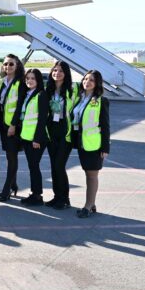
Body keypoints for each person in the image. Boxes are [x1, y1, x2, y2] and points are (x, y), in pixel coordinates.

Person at [72, 70, 110, 218]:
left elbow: (105, 126)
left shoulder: (101, 101)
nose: (87, 82)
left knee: (92, 175)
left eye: (91, 80)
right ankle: (91, 203)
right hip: (82, 143)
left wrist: (105, 147)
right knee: (87, 174)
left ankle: (88, 206)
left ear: (97, 83)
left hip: (94, 145)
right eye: (85, 79)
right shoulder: (80, 99)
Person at [44, 60, 78, 209]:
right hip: (52, 129)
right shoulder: (48, 90)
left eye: (61, 71)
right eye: (55, 70)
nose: (57, 73)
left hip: (66, 130)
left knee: (59, 165)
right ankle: (57, 196)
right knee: (53, 165)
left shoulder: (73, 90)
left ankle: (64, 198)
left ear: (66, 74)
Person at [0, 54, 27, 202]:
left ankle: (6, 189)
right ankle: (13, 184)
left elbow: (19, 105)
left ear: (17, 66)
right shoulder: (2, 82)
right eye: (5, 64)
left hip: (13, 126)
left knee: (12, 156)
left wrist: (13, 125)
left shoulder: (20, 83)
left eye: (11, 64)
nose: (7, 66)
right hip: (3, 124)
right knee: (10, 156)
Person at [18, 68, 49, 206]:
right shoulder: (28, 94)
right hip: (27, 137)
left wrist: (37, 138)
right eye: (27, 78)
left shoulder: (41, 95)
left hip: (36, 139)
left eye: (33, 78)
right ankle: (35, 194)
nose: (29, 81)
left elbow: (42, 119)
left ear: (38, 80)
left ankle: (37, 196)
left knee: (34, 167)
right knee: (32, 166)